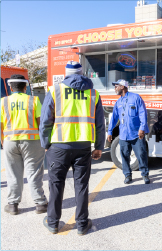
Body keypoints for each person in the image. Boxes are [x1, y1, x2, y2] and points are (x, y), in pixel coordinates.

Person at [39, 61, 105, 235]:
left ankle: (53, 222)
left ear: (66, 74)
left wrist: (46, 144)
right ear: (82, 73)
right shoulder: (94, 93)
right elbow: (100, 124)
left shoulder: (55, 91)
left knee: (56, 184)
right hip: (83, 146)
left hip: (59, 146)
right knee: (81, 185)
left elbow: (45, 121)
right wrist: (98, 146)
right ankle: (82, 224)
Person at [1, 74, 47, 215]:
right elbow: (41, 124)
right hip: (32, 141)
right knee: (34, 172)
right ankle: (40, 204)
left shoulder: (3, 102)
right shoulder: (33, 101)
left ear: (10, 87)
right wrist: (44, 142)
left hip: (10, 142)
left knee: (13, 173)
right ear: (25, 87)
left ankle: (13, 204)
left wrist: (3, 141)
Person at [107, 79, 150, 184]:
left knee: (141, 154)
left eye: (116, 86)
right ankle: (127, 175)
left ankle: (144, 174)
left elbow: (142, 113)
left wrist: (142, 128)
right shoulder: (118, 102)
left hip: (136, 134)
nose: (114, 88)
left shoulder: (136, 98)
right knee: (124, 156)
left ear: (122, 87)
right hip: (123, 135)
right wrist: (109, 131)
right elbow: (114, 118)